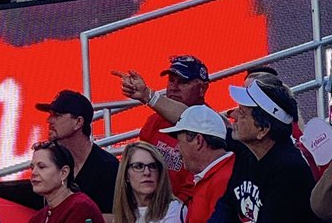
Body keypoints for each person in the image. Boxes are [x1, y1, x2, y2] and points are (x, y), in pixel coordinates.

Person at [217, 76, 317, 222]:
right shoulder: (248, 151)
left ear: (263, 129)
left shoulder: (289, 171)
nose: (233, 115)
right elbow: (227, 205)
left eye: (242, 113)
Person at [113, 54, 211, 201]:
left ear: (202, 89)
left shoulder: (209, 126)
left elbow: (195, 191)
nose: (174, 87)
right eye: (171, 80)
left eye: (183, 82)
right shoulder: (155, 121)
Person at [34, 90, 119, 214]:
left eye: (57, 115)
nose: (49, 120)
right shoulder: (52, 163)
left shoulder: (108, 167)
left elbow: (121, 217)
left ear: (78, 122)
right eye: (50, 114)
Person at [158, 105, 234, 223]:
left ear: (198, 141)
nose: (177, 148)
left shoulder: (223, 180)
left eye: (179, 141)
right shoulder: (216, 175)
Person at [28, 141, 105, 223]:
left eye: (41, 167)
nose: (34, 173)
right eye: (32, 168)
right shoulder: (37, 219)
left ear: (64, 173)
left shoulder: (81, 208)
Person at [112, 142, 182, 223]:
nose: (147, 172)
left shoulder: (174, 208)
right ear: (126, 175)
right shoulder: (122, 215)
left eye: (153, 166)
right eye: (138, 166)